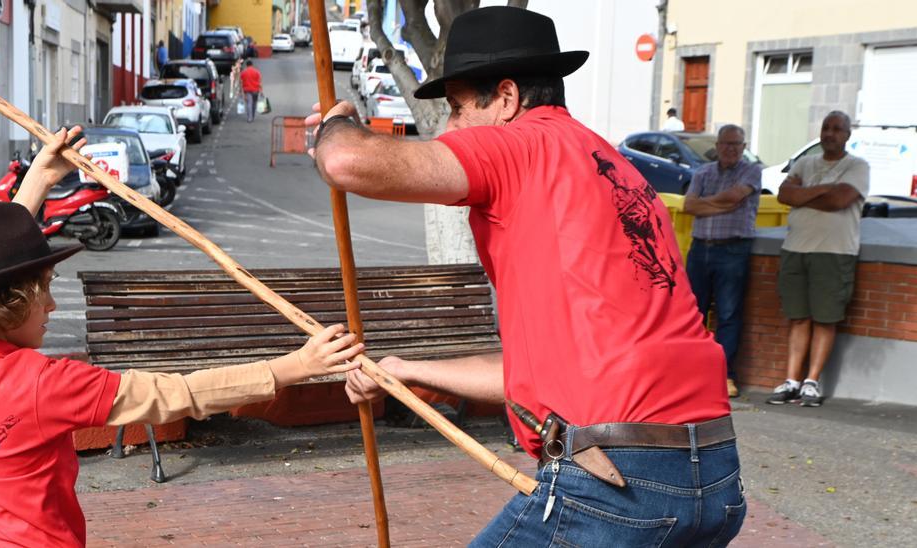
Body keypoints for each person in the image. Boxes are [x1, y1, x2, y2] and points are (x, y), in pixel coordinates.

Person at [308, 7, 742, 546]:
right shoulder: (613, 166)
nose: (450, 128)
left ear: (507, 99)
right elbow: (540, 373)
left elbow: (348, 163)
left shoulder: (523, 145)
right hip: (713, 474)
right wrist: (404, 370)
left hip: (618, 480)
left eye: (459, 107)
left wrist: (334, 126)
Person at [0, 127, 364, 546]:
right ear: (4, 305)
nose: (51, 305)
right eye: (43, 290)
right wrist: (297, 367)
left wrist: (41, 179)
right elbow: (177, 394)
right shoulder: (42, 383)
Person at [768, 111, 869, 408]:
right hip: (796, 249)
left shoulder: (857, 166)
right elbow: (785, 195)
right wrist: (825, 188)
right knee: (798, 317)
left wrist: (805, 193)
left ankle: (811, 382)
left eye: (837, 129)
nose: (830, 133)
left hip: (834, 252)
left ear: (847, 134)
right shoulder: (805, 162)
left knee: (825, 319)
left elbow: (840, 201)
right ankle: (791, 381)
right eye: (826, 127)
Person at [683, 124, 762, 398]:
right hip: (700, 249)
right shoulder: (703, 172)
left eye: (736, 144)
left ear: (743, 147)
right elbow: (689, 206)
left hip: (732, 250)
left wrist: (708, 203)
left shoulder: (751, 170)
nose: (730, 149)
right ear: (717, 146)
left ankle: (725, 375)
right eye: (726, 144)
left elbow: (735, 197)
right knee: (694, 314)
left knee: (728, 315)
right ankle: (690, 373)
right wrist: (722, 204)